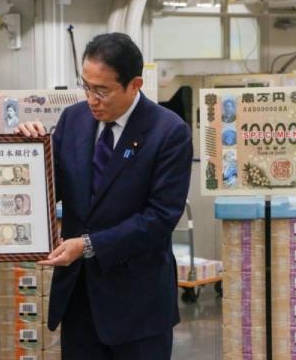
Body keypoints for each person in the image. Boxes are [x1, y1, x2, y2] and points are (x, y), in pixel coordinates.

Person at [18, 33, 193, 360]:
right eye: (86, 86)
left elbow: (160, 218)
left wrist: (87, 245)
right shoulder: (73, 120)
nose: (92, 99)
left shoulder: (168, 132)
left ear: (135, 84)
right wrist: (27, 149)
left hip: (138, 305)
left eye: (102, 90)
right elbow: (46, 187)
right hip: (80, 298)